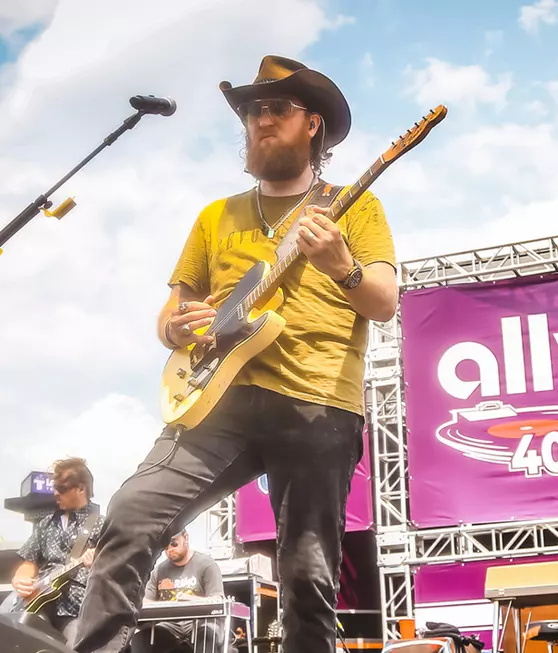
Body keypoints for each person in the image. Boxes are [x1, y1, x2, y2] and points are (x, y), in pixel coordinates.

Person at [72, 55, 398, 653]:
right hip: (219, 402)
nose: (259, 121)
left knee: (306, 580)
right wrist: (175, 331)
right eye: (251, 111)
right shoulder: (215, 217)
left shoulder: (355, 206)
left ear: (314, 125)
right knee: (131, 513)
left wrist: (342, 266)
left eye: (277, 108)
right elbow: (173, 314)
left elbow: (383, 302)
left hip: (320, 403)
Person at [10, 458, 102, 645]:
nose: (55, 494)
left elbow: (115, 565)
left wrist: (97, 563)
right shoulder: (45, 524)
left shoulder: (102, 524)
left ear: (81, 489)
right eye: (54, 488)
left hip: (78, 609)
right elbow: (29, 561)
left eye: (62, 489)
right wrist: (20, 579)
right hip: (38, 606)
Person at [130, 530, 225, 653]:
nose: (170, 549)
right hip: (170, 626)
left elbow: (218, 599)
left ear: (186, 538)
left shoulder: (207, 565)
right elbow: (147, 602)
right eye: (165, 546)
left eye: (174, 544)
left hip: (200, 623)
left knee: (206, 636)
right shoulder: (158, 571)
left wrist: (191, 600)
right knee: (141, 638)